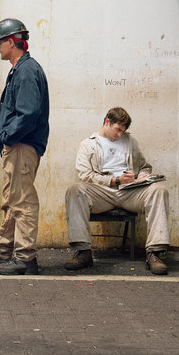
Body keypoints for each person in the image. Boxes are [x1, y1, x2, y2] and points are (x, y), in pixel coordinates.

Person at [0, 18, 49, 276]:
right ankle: (4, 250)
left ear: (11, 42)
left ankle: (25, 258)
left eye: (0, 43)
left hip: (22, 144)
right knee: (11, 200)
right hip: (19, 144)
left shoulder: (26, 70)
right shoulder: (21, 69)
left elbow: (28, 113)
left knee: (22, 201)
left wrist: (8, 135)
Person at [64, 107, 170, 275]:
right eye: (118, 129)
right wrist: (114, 180)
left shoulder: (130, 142)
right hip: (102, 192)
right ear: (107, 122)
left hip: (130, 192)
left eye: (123, 131)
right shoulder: (88, 144)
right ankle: (83, 252)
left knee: (159, 190)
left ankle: (154, 253)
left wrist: (142, 175)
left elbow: (145, 166)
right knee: (74, 190)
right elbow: (85, 175)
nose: (120, 134)